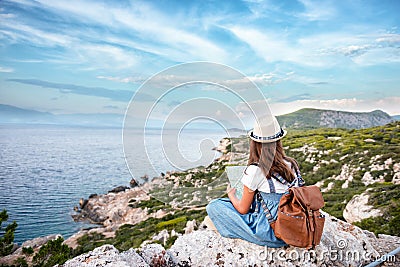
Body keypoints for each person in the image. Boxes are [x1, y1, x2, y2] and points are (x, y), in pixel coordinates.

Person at [206, 115, 303, 247]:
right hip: (292, 226)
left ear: (255, 143)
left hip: (272, 233)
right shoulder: (291, 163)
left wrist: (231, 195)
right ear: (279, 141)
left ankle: (230, 228)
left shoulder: (255, 170)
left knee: (214, 206)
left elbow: (242, 209)